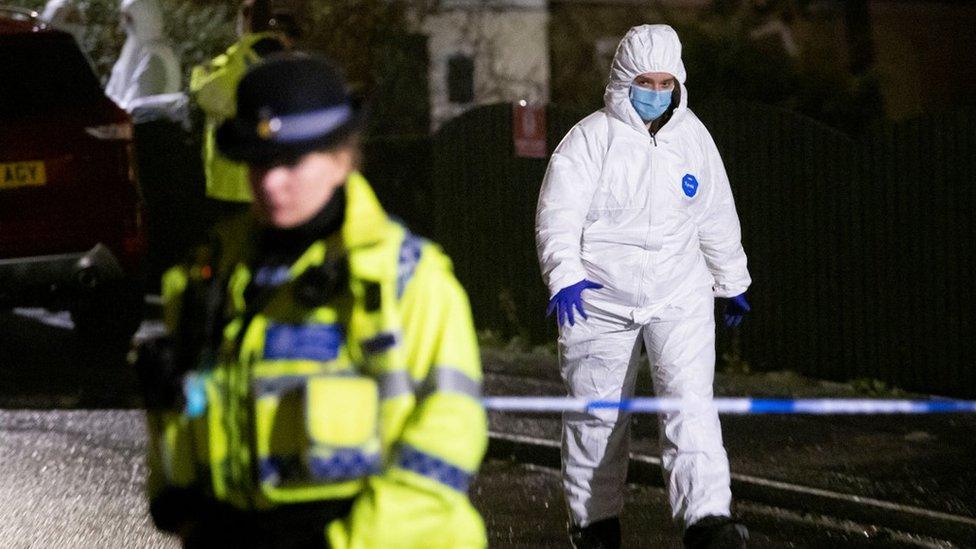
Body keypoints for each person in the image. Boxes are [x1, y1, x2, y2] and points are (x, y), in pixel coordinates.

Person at [139, 53, 488, 548]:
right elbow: (185, 411)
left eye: (292, 162)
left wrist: (348, 543)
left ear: (342, 158)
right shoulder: (208, 275)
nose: (270, 182)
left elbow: (448, 435)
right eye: (258, 163)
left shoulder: (405, 276)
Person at [535, 24, 752, 549]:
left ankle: (706, 519)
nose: (655, 92)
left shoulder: (693, 139)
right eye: (644, 81)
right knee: (596, 415)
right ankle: (594, 523)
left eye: (665, 82)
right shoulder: (589, 140)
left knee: (689, 404)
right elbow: (557, 214)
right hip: (599, 301)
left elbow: (714, 214)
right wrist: (564, 277)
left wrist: (731, 278)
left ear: (677, 84)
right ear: (623, 81)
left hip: (679, 295)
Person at [189, 0, 293, 216]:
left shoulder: (241, 56)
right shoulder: (287, 57)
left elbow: (211, 97)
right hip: (276, 176)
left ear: (245, 18)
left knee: (237, 244)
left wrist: (200, 74)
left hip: (236, 181)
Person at [104, 0, 180, 112]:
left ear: (144, 16)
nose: (123, 24)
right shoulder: (131, 53)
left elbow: (140, 105)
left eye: (128, 18)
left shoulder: (155, 56)